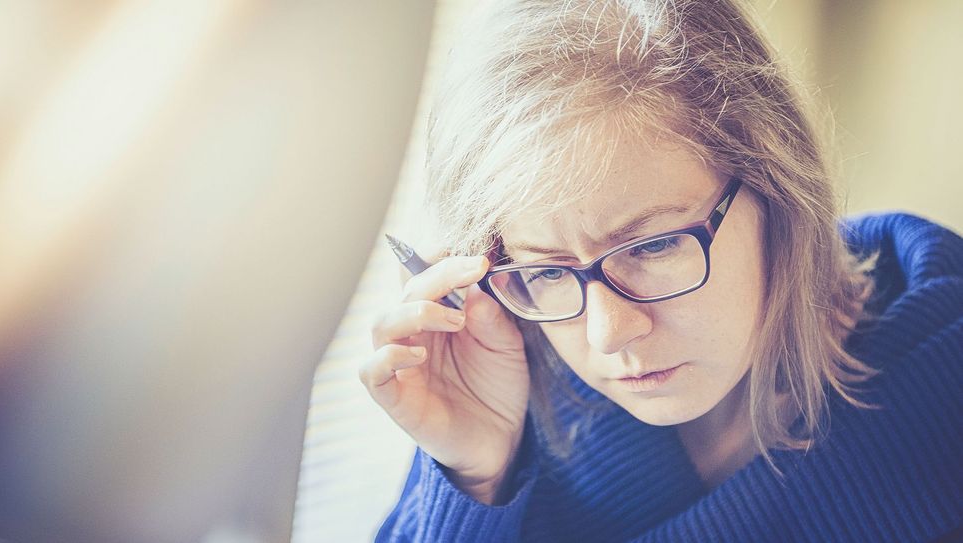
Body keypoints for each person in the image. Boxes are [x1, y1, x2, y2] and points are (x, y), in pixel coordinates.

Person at [361, 1, 963, 541]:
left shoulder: (941, 385)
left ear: (774, 192)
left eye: (651, 247)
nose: (607, 333)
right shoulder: (508, 389)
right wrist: (477, 477)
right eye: (546, 272)